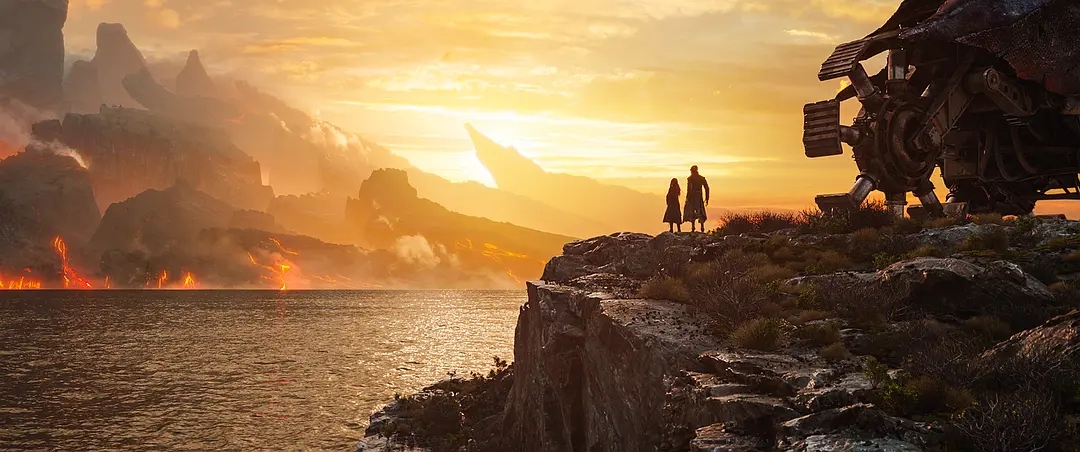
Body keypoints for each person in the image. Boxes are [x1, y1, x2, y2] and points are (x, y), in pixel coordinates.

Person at [683, 165, 710, 232]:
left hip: (693, 197)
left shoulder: (690, 178)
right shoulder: (701, 178)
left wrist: (688, 198)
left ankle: (693, 227)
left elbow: (689, 189)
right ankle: (701, 227)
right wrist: (707, 198)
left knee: (693, 211)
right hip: (699, 196)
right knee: (700, 211)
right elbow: (707, 188)